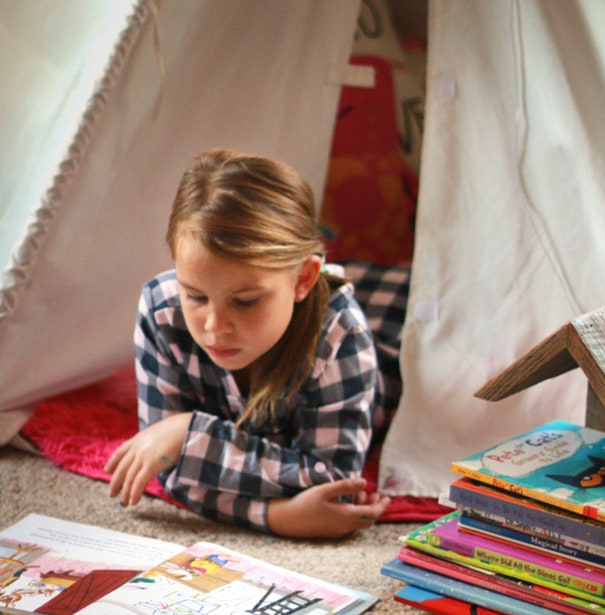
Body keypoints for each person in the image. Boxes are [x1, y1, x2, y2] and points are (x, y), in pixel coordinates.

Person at [105, 149, 395, 539]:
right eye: (195, 296)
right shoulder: (162, 310)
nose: (214, 326)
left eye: (245, 301)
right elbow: (164, 465)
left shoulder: (341, 333)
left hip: (393, 344)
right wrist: (278, 516)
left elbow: (335, 486)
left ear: (303, 279)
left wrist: (190, 434)